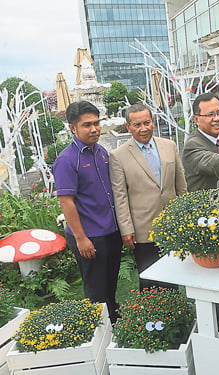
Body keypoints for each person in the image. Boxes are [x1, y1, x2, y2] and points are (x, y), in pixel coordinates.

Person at [52, 101, 122, 323]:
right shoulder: (67, 160)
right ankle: (99, 333)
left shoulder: (100, 152)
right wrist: (81, 239)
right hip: (89, 236)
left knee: (110, 285)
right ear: (73, 128)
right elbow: (66, 202)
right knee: (96, 292)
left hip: (110, 232)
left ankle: (114, 324)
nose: (94, 129)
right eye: (87, 125)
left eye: (96, 123)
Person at [109, 104, 187, 290]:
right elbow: (120, 196)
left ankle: (176, 314)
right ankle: (152, 317)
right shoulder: (118, 156)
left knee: (173, 274)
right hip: (143, 228)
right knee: (149, 278)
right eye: (137, 125)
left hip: (171, 223)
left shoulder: (169, 146)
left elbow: (180, 184)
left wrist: (185, 214)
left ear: (153, 122)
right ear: (128, 127)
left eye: (146, 123)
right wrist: (126, 229)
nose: (143, 128)